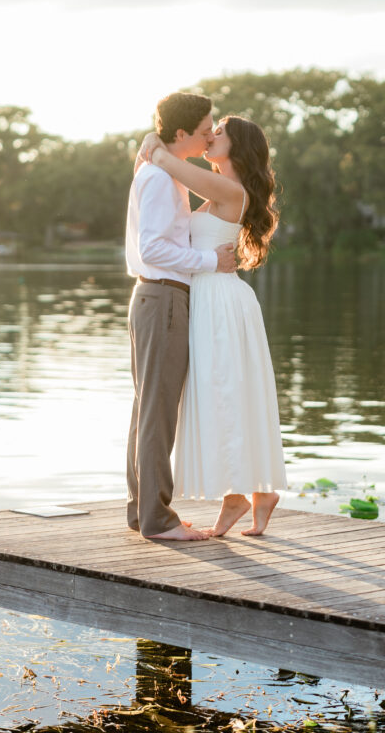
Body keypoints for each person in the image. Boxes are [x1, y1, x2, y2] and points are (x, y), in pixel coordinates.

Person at [138, 115, 287, 536]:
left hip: (219, 300)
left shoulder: (227, 188)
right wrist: (153, 142)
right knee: (226, 393)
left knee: (224, 392)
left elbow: (166, 160)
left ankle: (245, 493)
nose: (210, 137)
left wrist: (154, 137)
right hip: (212, 297)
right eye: (209, 129)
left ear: (237, 147)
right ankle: (252, 494)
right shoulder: (221, 188)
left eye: (218, 132)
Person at [125, 92, 238, 541]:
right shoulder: (157, 179)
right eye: (205, 126)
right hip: (163, 299)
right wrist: (211, 261)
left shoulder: (164, 175)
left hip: (158, 299)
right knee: (157, 412)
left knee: (148, 409)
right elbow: (152, 248)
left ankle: (142, 512)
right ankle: (157, 519)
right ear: (181, 135)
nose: (211, 132)